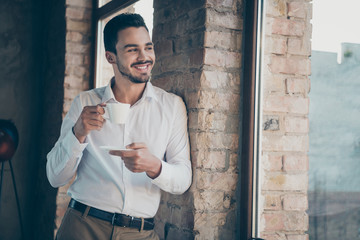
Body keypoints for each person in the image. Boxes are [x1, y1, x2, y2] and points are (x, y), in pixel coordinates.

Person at [46, 13, 192, 240]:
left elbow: (183, 179)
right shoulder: (85, 103)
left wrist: (154, 166)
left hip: (141, 233)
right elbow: (55, 177)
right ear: (110, 57)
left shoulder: (172, 107)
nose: (144, 57)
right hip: (82, 226)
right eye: (132, 49)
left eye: (148, 47)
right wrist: (78, 133)